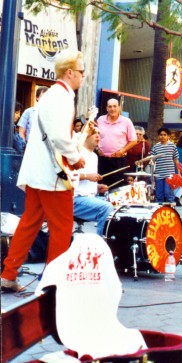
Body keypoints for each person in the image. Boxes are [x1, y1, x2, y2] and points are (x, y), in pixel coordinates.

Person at [1, 49, 86, 292]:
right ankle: (53, 282)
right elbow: (60, 137)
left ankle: (9, 274)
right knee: (62, 227)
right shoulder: (63, 97)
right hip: (53, 174)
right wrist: (76, 157)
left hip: (38, 173)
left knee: (29, 223)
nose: (83, 76)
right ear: (70, 73)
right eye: (81, 71)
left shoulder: (50, 95)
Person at [73, 127, 114, 236]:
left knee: (118, 204)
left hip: (90, 197)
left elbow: (87, 181)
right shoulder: (77, 153)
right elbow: (67, 176)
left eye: (99, 134)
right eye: (94, 133)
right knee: (106, 208)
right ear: (85, 135)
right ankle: (101, 243)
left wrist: (97, 186)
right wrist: (87, 176)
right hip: (75, 199)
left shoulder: (94, 156)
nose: (98, 136)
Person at [96, 98, 137, 187]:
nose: (112, 109)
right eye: (110, 106)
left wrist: (122, 151)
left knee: (118, 188)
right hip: (102, 161)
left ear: (119, 107)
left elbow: (134, 140)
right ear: (106, 108)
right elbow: (94, 136)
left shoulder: (126, 121)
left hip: (119, 161)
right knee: (102, 187)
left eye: (115, 106)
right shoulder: (100, 120)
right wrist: (97, 148)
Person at [150, 127, 179, 203]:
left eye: (164, 135)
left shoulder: (172, 146)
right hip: (159, 174)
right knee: (159, 195)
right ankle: (159, 210)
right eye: (161, 135)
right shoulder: (156, 147)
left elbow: (176, 160)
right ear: (158, 136)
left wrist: (178, 173)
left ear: (168, 136)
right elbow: (152, 160)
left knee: (168, 193)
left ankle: (171, 210)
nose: (162, 136)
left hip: (169, 174)